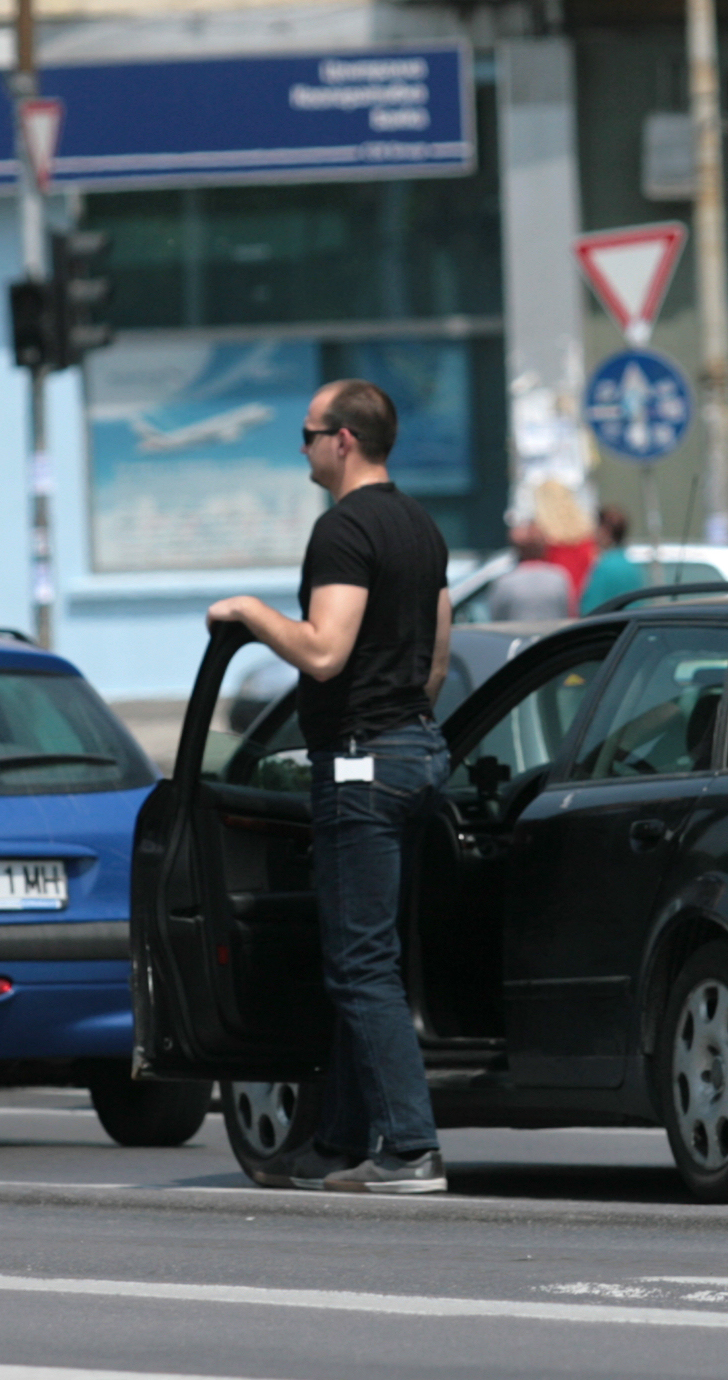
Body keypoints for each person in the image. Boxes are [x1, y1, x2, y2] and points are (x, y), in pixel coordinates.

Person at [206, 378, 452, 1195]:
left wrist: (249, 611)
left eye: (308, 434)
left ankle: (411, 1148)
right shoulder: (421, 526)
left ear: (343, 440)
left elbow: (322, 651)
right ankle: (343, 1141)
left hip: (361, 763)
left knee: (359, 965)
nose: (302, 448)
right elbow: (437, 661)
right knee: (367, 957)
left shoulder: (344, 530)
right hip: (416, 752)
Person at [485, 522, 576, 621]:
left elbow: (495, 620)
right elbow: (569, 613)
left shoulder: (505, 582)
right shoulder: (559, 577)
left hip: (515, 636)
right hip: (553, 635)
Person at [578, 505, 646, 613]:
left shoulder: (604, 566)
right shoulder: (631, 567)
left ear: (606, 531)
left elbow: (589, 608)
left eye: (597, 528)